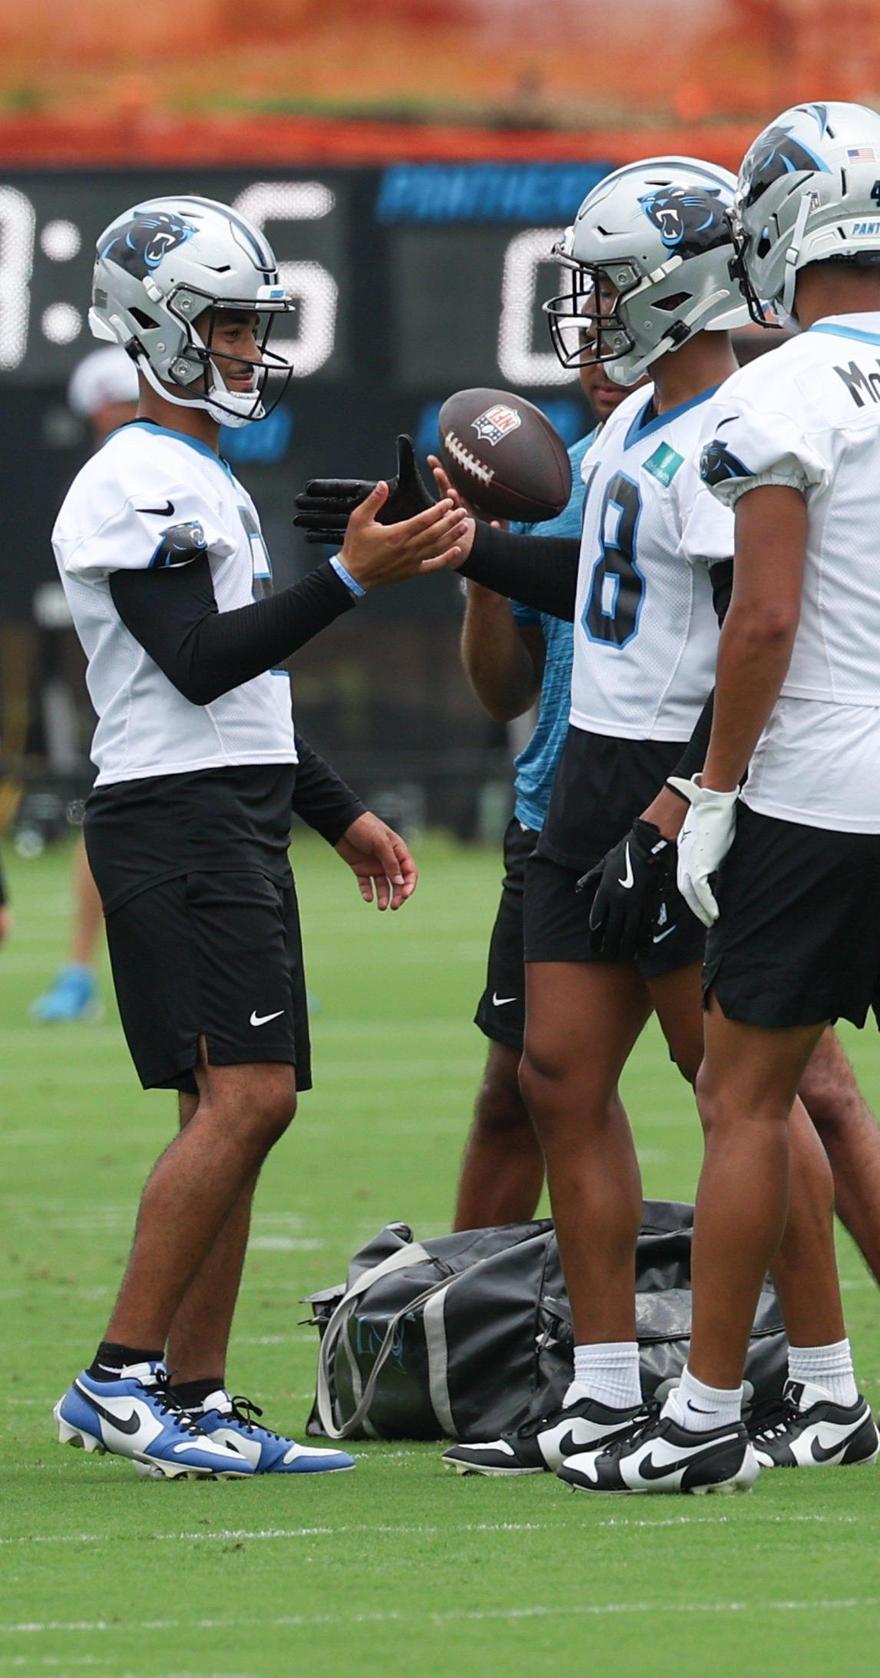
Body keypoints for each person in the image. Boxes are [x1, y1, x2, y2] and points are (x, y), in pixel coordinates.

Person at [573, 102, 880, 1495]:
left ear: (783, 223)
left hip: (822, 789)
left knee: (743, 1100)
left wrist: (711, 791)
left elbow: (765, 620)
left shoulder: (777, 394)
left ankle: (705, 1417)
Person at [50, 193, 469, 1480]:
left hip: (219, 807)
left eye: (250, 324)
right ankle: (118, 1380)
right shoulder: (131, 478)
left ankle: (194, 1394)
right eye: (225, 323)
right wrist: (347, 578)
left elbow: (248, 699)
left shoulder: (195, 474)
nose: (246, 346)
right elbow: (193, 663)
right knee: (249, 1097)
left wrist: (337, 813)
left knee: (225, 1105)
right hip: (176, 821)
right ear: (154, 325)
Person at [453, 349, 635, 1230]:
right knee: (521, 1089)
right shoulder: (553, 481)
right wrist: (483, 561)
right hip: (555, 819)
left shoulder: (730, 448)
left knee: (787, 1090)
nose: (604, 356)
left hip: (691, 810)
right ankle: (465, 1330)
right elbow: (504, 691)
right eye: (592, 329)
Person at [32, 346, 139, 1024]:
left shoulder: (186, 461)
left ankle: (264, 970)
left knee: (249, 813)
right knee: (109, 819)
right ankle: (79, 972)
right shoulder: (105, 484)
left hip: (212, 681)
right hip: (148, 690)